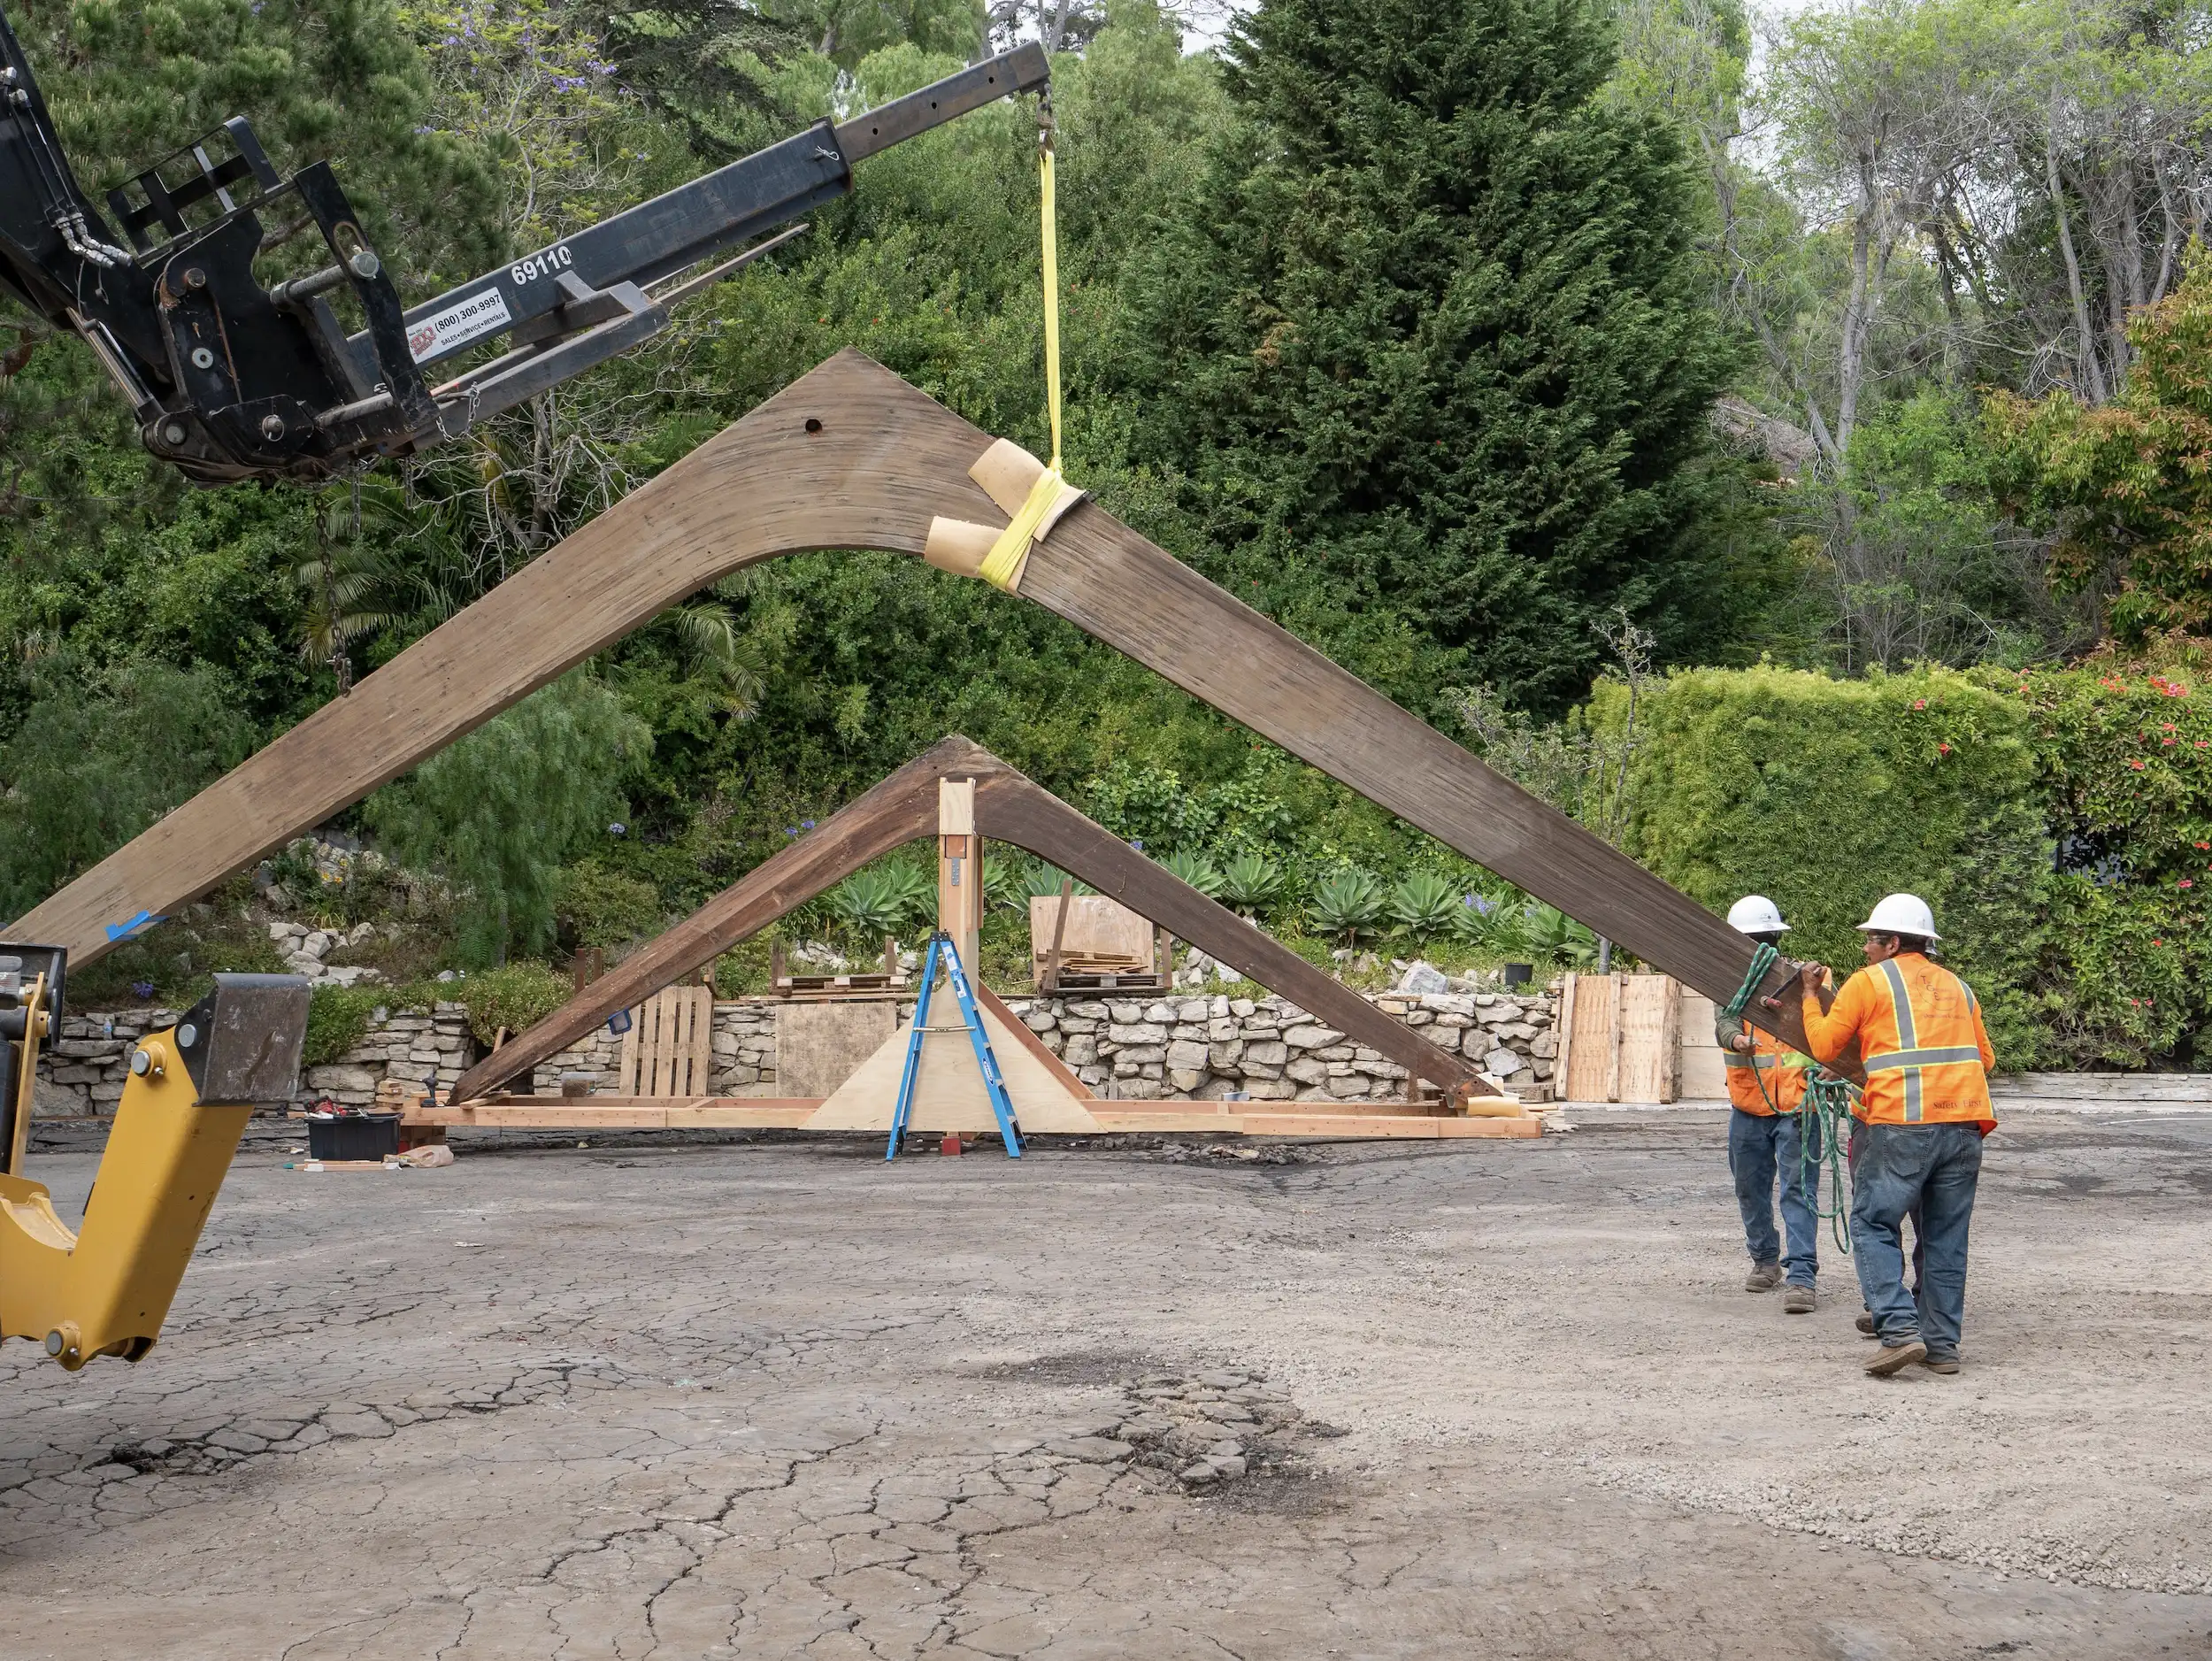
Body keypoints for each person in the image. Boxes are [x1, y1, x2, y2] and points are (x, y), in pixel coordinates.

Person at [1794, 894, 1994, 1378]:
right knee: (1945, 1238)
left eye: (1871, 940)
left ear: (1893, 942)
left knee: (1872, 1223)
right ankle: (1942, 1347)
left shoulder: (1869, 983)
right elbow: (1984, 1061)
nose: (1865, 949)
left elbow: (1822, 1045)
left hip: (1902, 1125)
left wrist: (1807, 994)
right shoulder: (1960, 988)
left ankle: (1900, 1330)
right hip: (1965, 1126)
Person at [1717, 896, 1821, 1311]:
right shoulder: (1729, 983)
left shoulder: (1807, 980)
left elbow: (1828, 1025)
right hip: (1748, 1106)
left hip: (1799, 1108)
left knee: (1799, 1192)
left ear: (1775, 939)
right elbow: (1724, 1020)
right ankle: (1764, 1260)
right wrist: (1736, 1039)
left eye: (1761, 939)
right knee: (1749, 1188)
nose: (1756, 947)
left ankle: (1802, 1277)